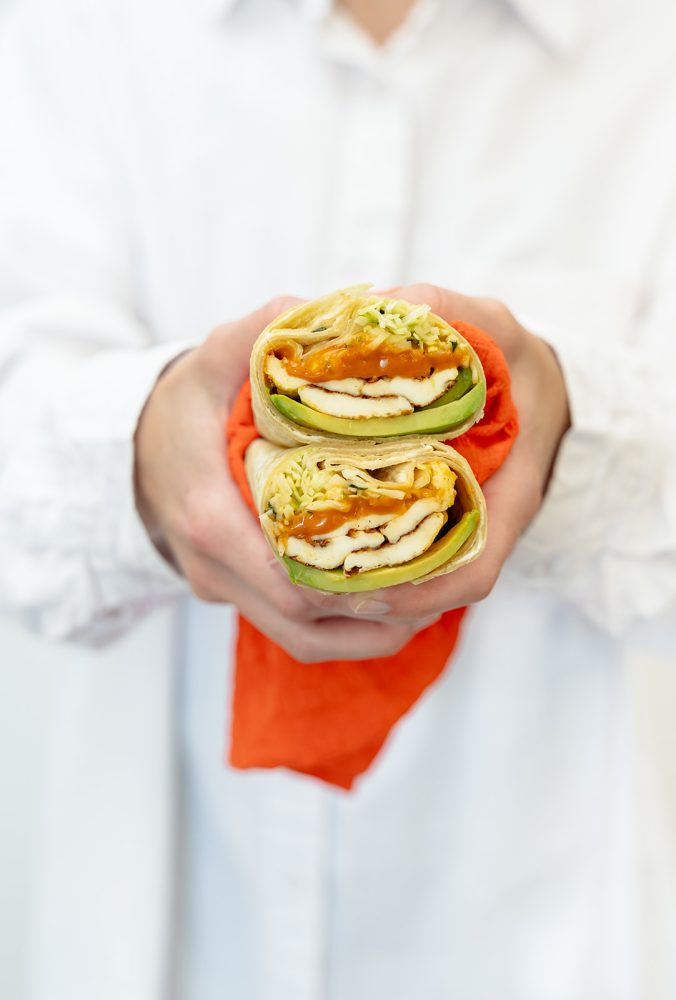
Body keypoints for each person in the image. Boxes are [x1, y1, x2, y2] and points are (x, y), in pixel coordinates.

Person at [1, 0, 675, 997]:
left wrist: (577, 432)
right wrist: (143, 454)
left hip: (560, 935)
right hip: (183, 935)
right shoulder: (80, 27)